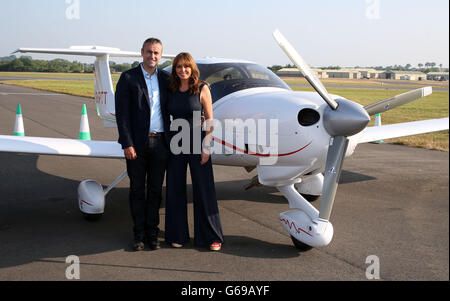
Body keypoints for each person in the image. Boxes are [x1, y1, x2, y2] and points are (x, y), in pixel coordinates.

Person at [115, 38, 171, 251]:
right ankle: (138, 235)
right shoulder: (128, 77)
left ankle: (152, 234)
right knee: (137, 190)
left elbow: (182, 100)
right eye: (149, 52)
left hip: (161, 143)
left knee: (156, 191)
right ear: (142, 52)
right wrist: (127, 143)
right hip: (136, 145)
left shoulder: (166, 79)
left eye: (156, 53)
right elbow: (122, 115)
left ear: (160, 54)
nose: (153, 56)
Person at [165, 52, 224, 251]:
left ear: (192, 68)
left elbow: (209, 120)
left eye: (186, 66)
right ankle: (177, 235)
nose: (182, 70)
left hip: (198, 143)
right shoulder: (171, 88)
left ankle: (211, 237)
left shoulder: (202, 88)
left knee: (204, 189)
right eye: (179, 67)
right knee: (175, 189)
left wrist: (206, 147)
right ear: (175, 69)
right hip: (175, 143)